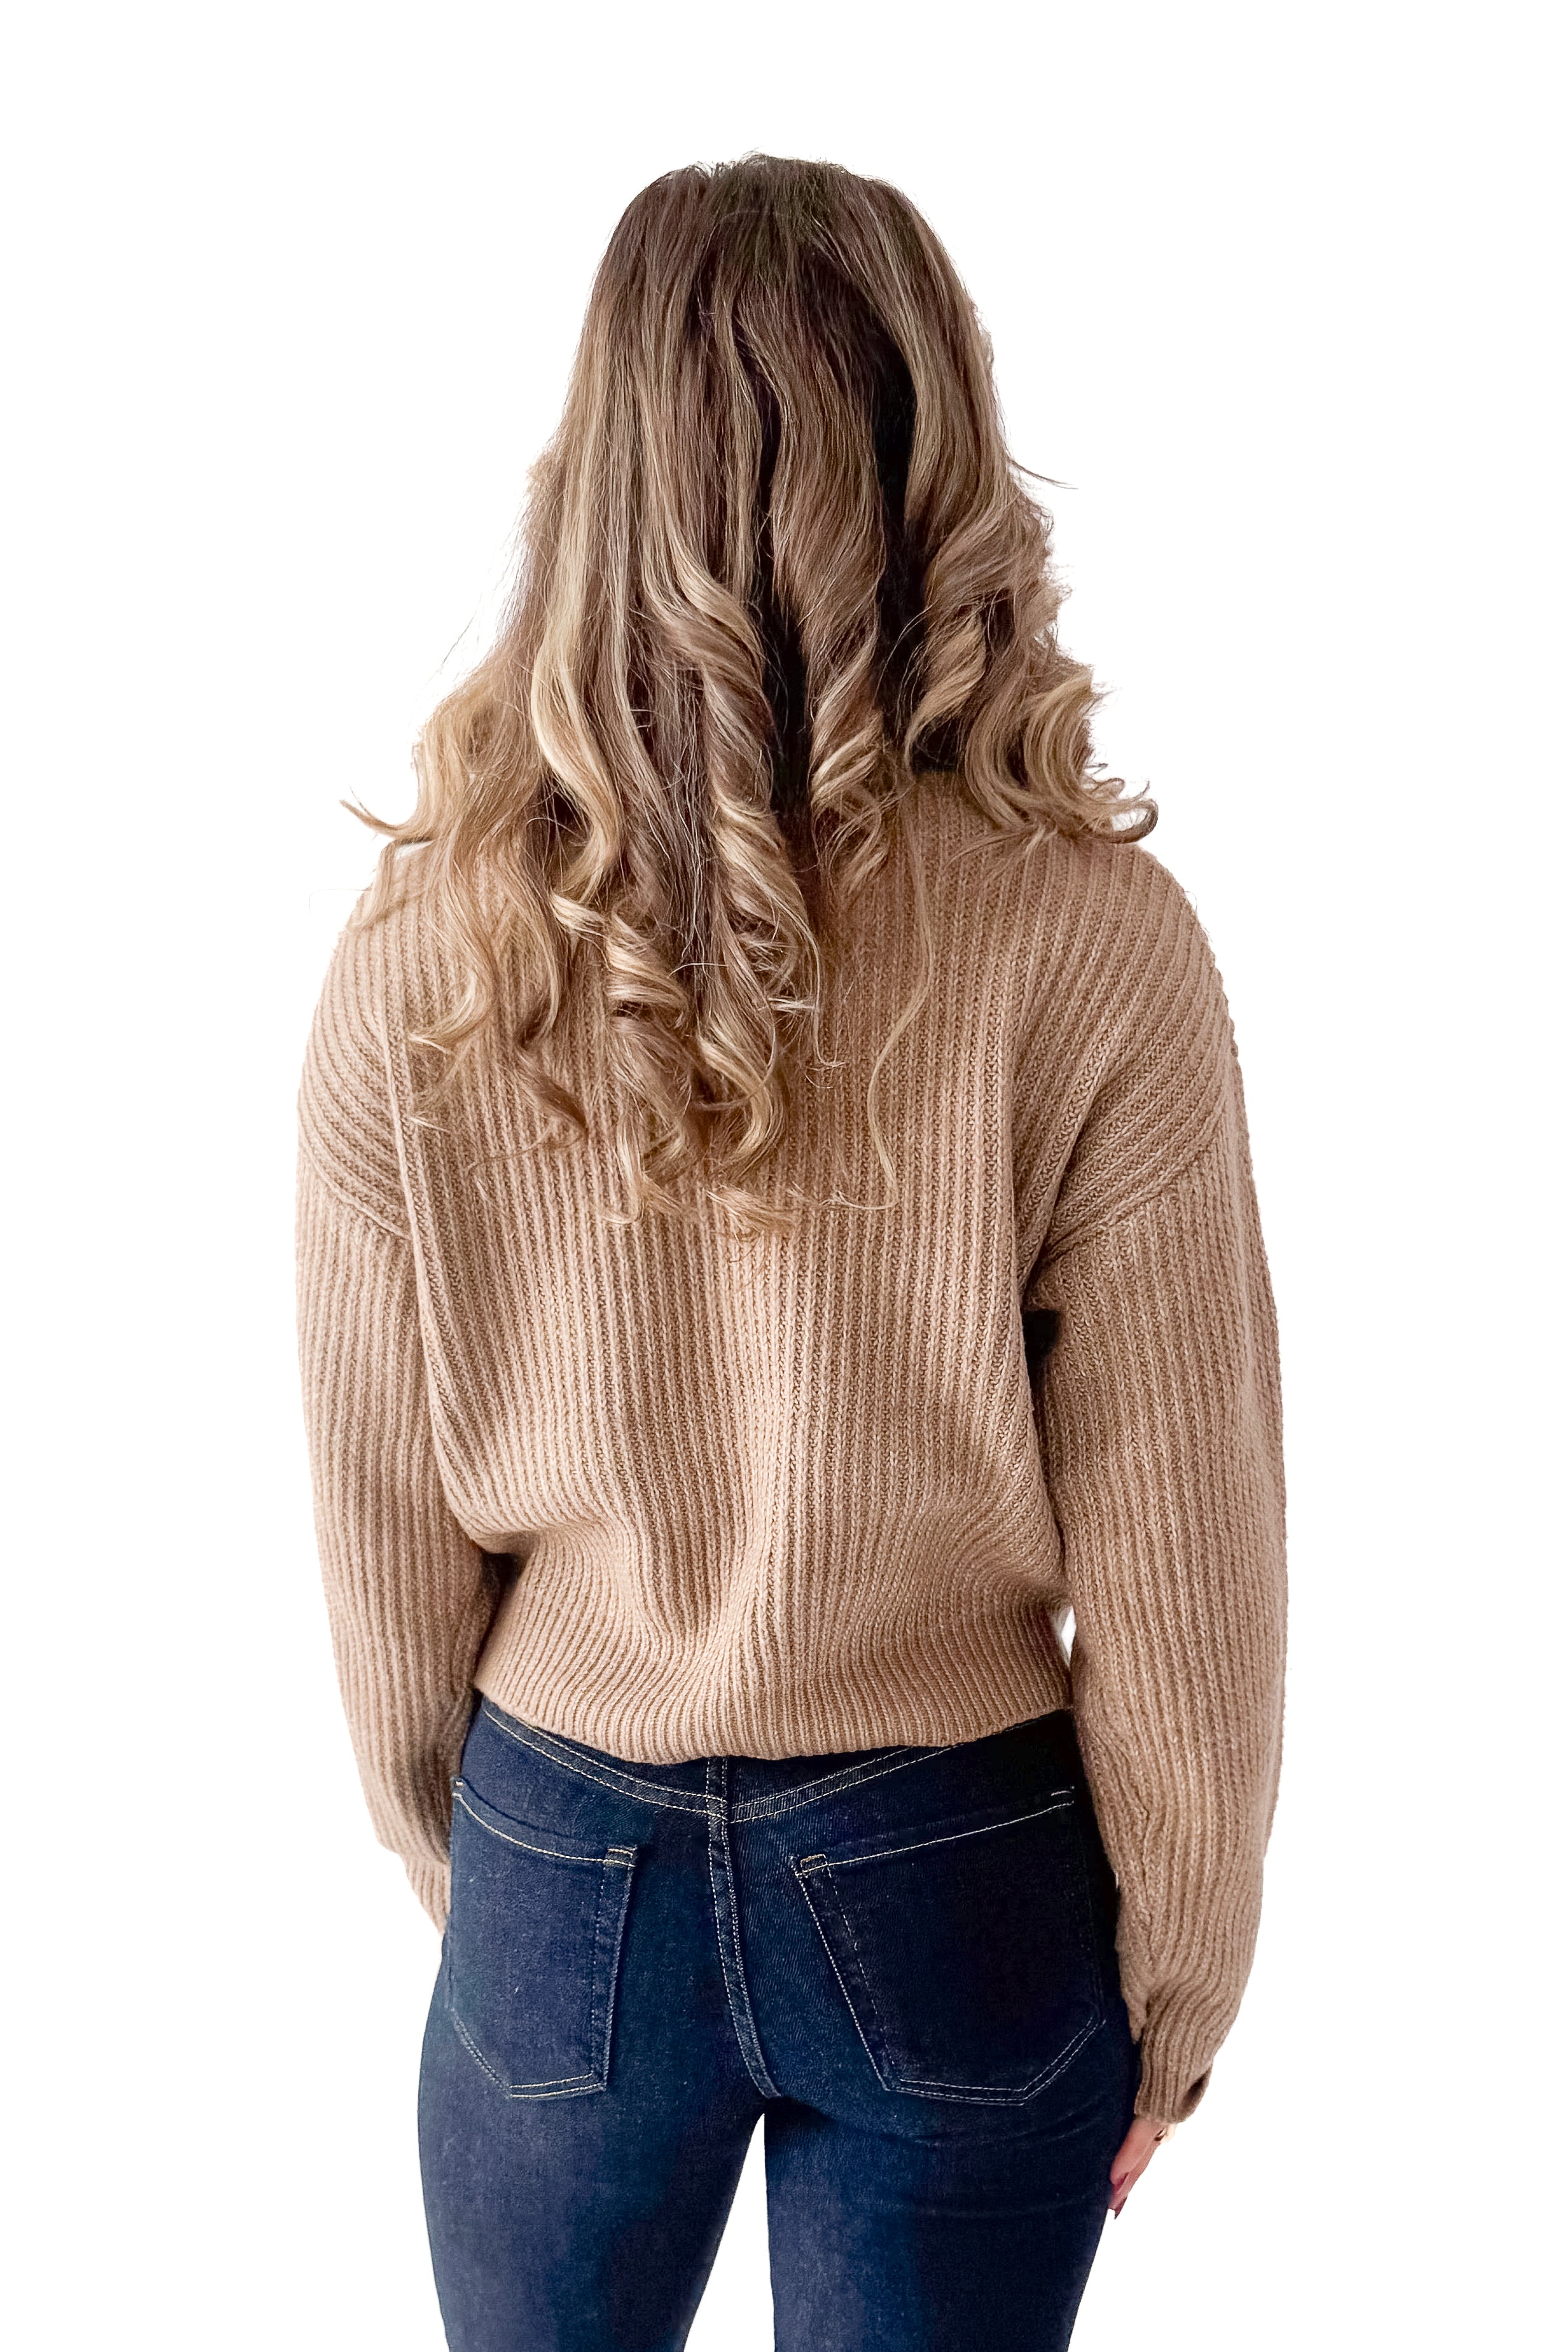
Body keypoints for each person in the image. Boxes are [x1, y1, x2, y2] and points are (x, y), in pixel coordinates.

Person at [295, 154, 1287, 2352]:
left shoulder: (422, 946)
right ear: (938, 442)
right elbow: (1178, 1526)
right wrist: (1182, 1963)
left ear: (602, 457)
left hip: (564, 1859)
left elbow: (382, 1538)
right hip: (961, 1868)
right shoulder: (1095, 940)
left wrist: (493, 1881)